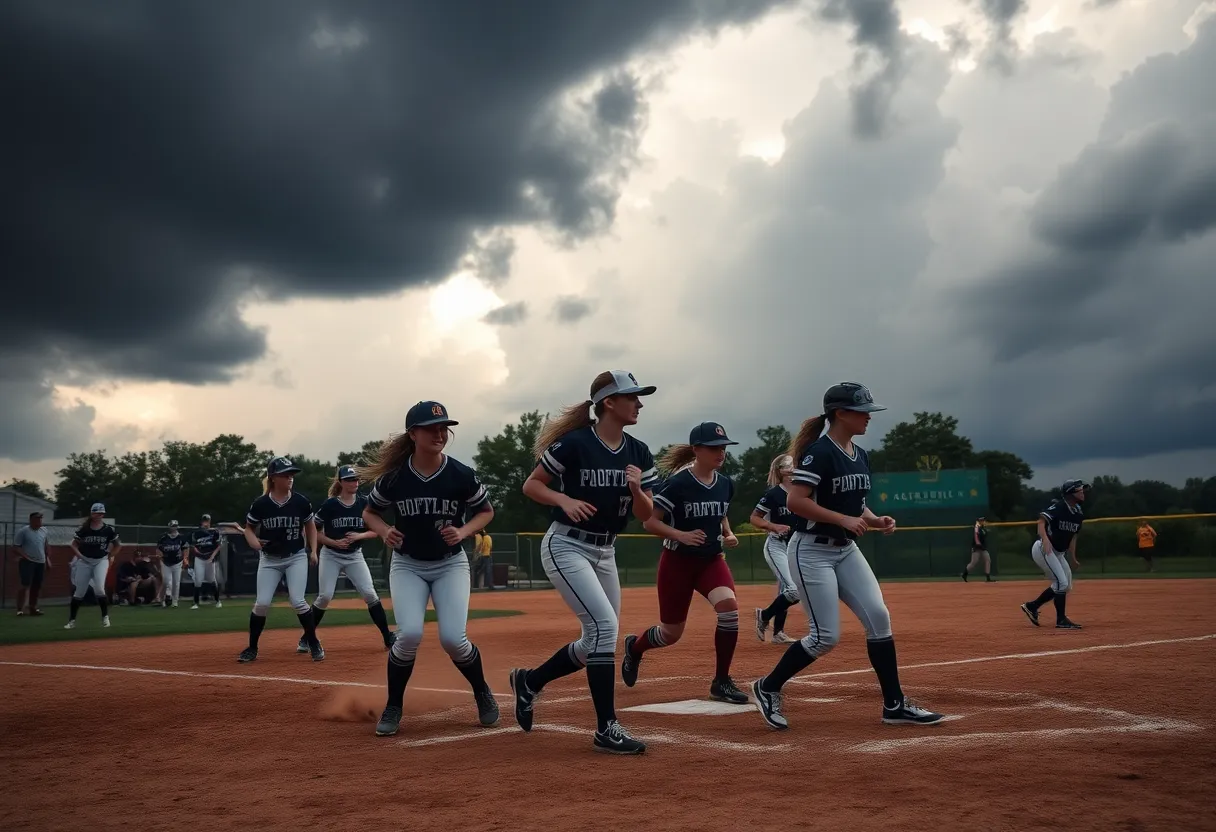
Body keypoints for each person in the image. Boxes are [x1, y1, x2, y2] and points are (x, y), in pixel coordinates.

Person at [751, 382, 945, 730]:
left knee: (878, 617)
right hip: (811, 551)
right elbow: (796, 501)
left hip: (846, 550)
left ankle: (894, 705)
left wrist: (873, 518)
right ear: (840, 413)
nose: (869, 417)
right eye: (862, 410)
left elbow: (854, 502)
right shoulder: (819, 452)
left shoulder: (859, 453)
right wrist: (844, 519)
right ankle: (767, 687)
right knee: (825, 637)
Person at [511, 370, 660, 755]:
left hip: (605, 550)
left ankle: (529, 681)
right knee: (606, 627)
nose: (639, 403)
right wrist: (564, 500)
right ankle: (606, 727)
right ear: (608, 402)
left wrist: (635, 488)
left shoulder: (639, 452)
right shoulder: (576, 444)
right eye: (632, 397)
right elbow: (532, 484)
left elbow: (647, 515)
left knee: (596, 637)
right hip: (567, 547)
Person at [360, 401, 499, 737]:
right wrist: (383, 531)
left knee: (453, 638)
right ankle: (394, 705)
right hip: (407, 565)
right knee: (409, 635)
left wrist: (464, 531)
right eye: (431, 428)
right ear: (413, 434)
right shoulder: (395, 478)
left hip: (451, 564)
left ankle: (482, 691)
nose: (439, 434)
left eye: (443, 428)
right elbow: (370, 513)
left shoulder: (460, 474)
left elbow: (486, 511)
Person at [621, 421, 748, 704]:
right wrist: (681, 534)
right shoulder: (678, 484)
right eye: (714, 447)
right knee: (670, 633)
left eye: (723, 447)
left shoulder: (726, 484)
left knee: (728, 609)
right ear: (696, 450)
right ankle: (636, 648)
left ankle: (721, 681)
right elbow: (649, 522)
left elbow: (720, 513)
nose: (721, 452)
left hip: (711, 562)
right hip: (677, 562)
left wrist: (727, 532)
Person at [237, 457, 324, 662]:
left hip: (295, 557)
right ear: (273, 478)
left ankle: (313, 642)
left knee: (297, 600)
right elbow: (249, 529)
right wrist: (254, 543)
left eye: (291, 475)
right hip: (269, 560)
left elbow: (310, 526)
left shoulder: (301, 501)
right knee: (262, 603)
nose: (290, 478)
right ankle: (252, 647)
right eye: (285, 475)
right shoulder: (261, 504)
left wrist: (313, 550)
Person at [303, 465, 395, 653]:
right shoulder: (331, 505)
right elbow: (313, 531)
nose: (354, 482)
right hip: (331, 555)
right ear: (341, 482)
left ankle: (387, 636)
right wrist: (332, 542)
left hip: (354, 556)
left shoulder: (364, 503)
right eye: (350, 479)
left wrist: (358, 537)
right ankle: (307, 638)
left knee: (370, 593)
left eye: (356, 479)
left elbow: (376, 531)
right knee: (325, 596)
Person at [1020, 480, 1088, 630]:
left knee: (1066, 585)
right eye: (1080, 490)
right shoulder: (1060, 506)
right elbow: (1041, 521)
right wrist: (1045, 540)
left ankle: (1032, 606)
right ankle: (1061, 620)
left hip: (1058, 553)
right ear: (1070, 493)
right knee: (1061, 583)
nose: (1083, 492)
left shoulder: (1078, 513)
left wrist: (1073, 557)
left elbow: (1073, 537)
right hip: (1044, 550)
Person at [750, 454, 801, 643]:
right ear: (781, 471)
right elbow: (754, 518)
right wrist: (773, 526)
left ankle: (778, 633)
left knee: (787, 592)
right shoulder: (774, 494)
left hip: (796, 547)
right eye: (790, 465)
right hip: (777, 546)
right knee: (794, 590)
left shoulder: (803, 491)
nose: (794, 467)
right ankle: (764, 616)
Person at [65, 502, 121, 629]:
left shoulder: (108, 529)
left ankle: (105, 617)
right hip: (84, 561)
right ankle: (71, 621)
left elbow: (118, 545)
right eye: (96, 513)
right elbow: (73, 544)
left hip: (100, 560)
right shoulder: (85, 529)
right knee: (79, 591)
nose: (99, 515)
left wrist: (110, 555)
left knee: (100, 588)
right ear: (92, 513)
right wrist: (79, 555)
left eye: (101, 513)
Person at [14, 511, 50, 616]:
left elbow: (46, 545)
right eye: (37, 519)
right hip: (27, 562)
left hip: (40, 562)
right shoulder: (24, 531)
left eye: (40, 519)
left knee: (36, 586)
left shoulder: (44, 530)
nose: (39, 521)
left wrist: (47, 560)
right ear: (31, 520)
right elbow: (16, 547)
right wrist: (26, 557)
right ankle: (20, 609)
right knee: (25, 584)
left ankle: (33, 608)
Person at [189, 514, 224, 608]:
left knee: (212, 579)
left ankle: (217, 601)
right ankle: (196, 602)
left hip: (210, 558)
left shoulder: (214, 532)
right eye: (204, 521)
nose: (206, 523)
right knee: (198, 580)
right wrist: (200, 554)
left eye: (207, 521)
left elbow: (219, 546)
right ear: (201, 522)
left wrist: (211, 557)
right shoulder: (197, 532)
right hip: (200, 558)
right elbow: (193, 546)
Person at [156, 520, 188, 608]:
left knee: (176, 582)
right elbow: (158, 549)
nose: (174, 528)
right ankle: (162, 599)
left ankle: (175, 601)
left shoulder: (181, 538)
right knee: (166, 581)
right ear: (169, 527)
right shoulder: (163, 537)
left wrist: (185, 559)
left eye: (175, 526)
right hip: (166, 562)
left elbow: (185, 549)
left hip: (177, 562)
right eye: (172, 526)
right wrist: (159, 556)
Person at [962, 516, 994, 582]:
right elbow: (976, 538)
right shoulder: (977, 527)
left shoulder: (983, 528)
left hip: (983, 548)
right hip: (977, 548)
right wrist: (979, 545)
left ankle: (988, 578)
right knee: (973, 563)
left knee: (988, 560)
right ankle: (964, 574)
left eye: (983, 520)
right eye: (981, 520)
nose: (983, 521)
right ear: (978, 521)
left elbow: (984, 534)